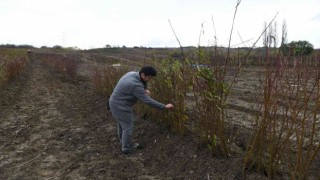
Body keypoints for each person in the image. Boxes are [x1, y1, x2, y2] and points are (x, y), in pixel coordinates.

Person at [109, 66, 174, 155]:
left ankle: (123, 143)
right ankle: (126, 149)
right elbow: (147, 100)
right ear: (143, 74)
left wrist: (144, 89)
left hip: (115, 102)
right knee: (128, 127)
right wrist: (164, 106)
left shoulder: (131, 73)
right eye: (149, 77)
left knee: (122, 124)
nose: (150, 80)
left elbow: (139, 85)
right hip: (120, 106)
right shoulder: (135, 84)